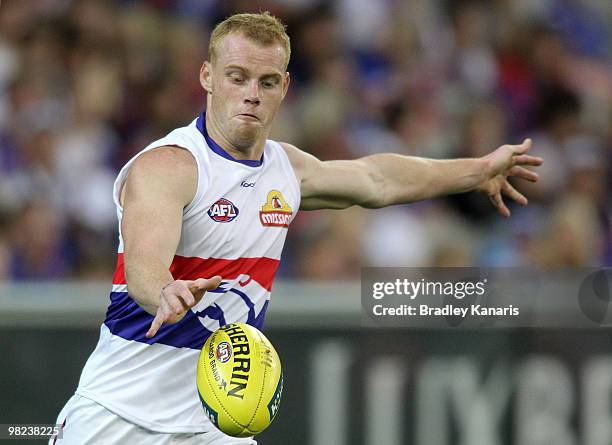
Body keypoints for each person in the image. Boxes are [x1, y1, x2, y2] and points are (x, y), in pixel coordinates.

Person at [51, 11, 542, 445]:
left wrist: (477, 170)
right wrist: (164, 291)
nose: (250, 95)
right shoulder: (169, 166)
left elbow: (377, 178)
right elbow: (143, 264)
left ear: (285, 87)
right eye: (237, 77)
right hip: (119, 416)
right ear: (207, 76)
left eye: (266, 82)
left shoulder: (286, 170)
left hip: (214, 423)